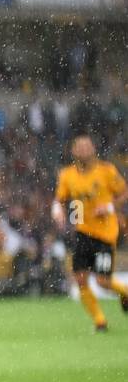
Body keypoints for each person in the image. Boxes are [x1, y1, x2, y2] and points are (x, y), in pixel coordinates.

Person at [51, 134, 128, 331]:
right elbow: (59, 199)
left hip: (105, 234)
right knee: (80, 279)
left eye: (87, 146)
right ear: (73, 151)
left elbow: (124, 192)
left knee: (103, 281)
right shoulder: (67, 174)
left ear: (93, 150)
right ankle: (100, 322)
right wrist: (57, 210)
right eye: (80, 147)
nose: (84, 150)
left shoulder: (106, 171)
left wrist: (109, 207)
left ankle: (125, 292)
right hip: (82, 232)